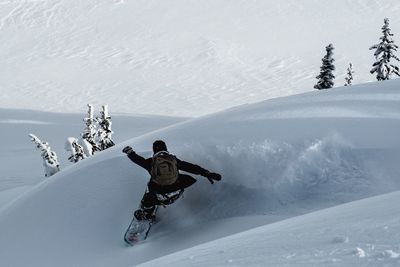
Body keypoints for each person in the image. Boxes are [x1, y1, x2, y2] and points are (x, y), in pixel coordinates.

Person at [123, 140, 222, 221]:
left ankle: (147, 214)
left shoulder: (151, 162)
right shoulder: (174, 160)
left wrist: (130, 152)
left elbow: (138, 160)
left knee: (149, 192)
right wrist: (207, 173)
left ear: (154, 151)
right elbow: (190, 167)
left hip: (159, 197)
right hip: (176, 193)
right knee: (186, 178)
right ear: (166, 149)